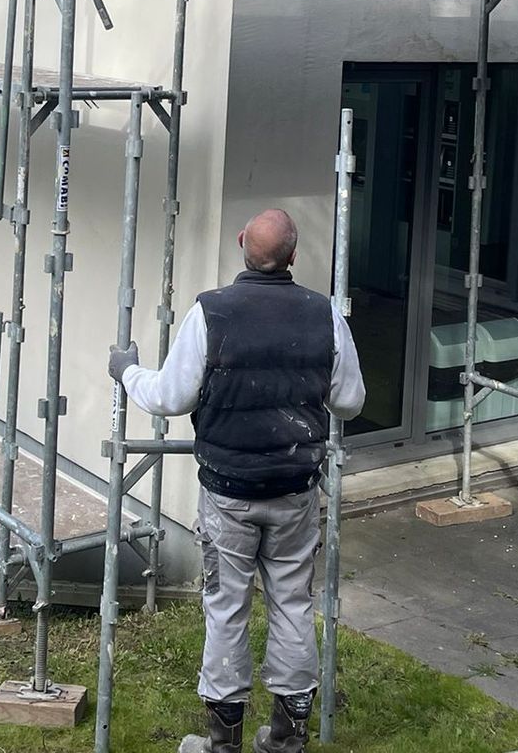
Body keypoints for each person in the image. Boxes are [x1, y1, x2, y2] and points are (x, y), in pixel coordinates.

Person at [108, 209, 366, 753]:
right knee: (292, 603)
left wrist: (127, 369)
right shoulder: (325, 315)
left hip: (229, 493)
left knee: (226, 606)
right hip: (296, 491)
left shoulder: (211, 312)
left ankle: (222, 744)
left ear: (242, 243)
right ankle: (285, 739)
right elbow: (350, 400)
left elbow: (171, 398)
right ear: (294, 257)